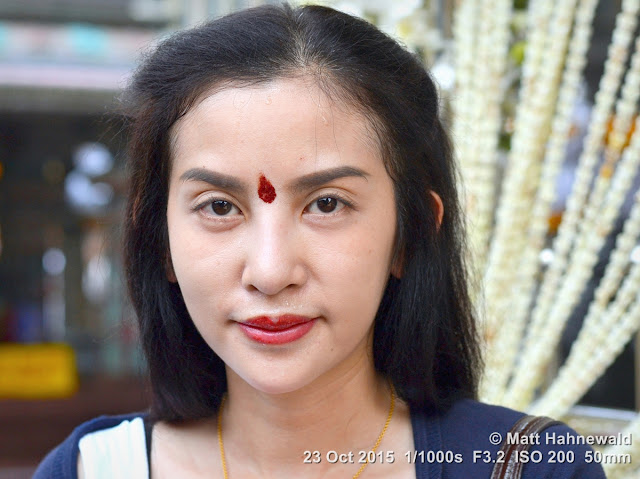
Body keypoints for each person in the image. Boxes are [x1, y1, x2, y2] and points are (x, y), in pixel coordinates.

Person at [35, 4, 606, 478]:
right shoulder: (91, 470)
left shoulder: (526, 468)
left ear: (411, 233)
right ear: (158, 239)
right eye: (219, 207)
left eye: (326, 204)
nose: (271, 270)